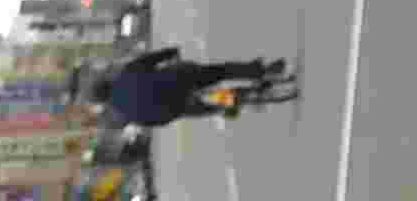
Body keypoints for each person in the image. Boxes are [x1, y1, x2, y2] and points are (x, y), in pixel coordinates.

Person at [92, 45, 292, 128]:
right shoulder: (127, 73)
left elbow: (156, 122)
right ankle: (259, 71)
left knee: (209, 106)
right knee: (221, 72)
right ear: (108, 81)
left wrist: (174, 112)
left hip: (180, 106)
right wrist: (171, 52)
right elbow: (152, 59)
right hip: (182, 78)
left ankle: (229, 104)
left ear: (105, 102)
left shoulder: (127, 115)